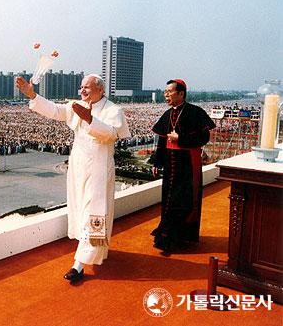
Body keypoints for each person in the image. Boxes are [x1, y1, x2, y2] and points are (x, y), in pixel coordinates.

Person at [16, 74, 130, 283]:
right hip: (78, 167)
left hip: (99, 169)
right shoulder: (77, 105)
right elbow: (56, 111)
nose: (82, 91)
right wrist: (32, 95)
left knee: (93, 214)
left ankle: (78, 264)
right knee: (81, 212)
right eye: (81, 87)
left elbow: (112, 135)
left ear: (100, 90)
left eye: (87, 87)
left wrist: (90, 119)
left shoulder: (114, 110)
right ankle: (96, 251)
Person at [149, 79, 215, 254]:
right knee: (170, 198)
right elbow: (162, 140)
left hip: (187, 162)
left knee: (184, 199)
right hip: (171, 163)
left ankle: (173, 236)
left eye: (169, 92)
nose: (166, 95)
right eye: (165, 92)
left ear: (181, 94)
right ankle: (167, 232)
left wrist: (181, 139)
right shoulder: (167, 114)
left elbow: (204, 138)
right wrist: (157, 161)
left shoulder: (195, 112)